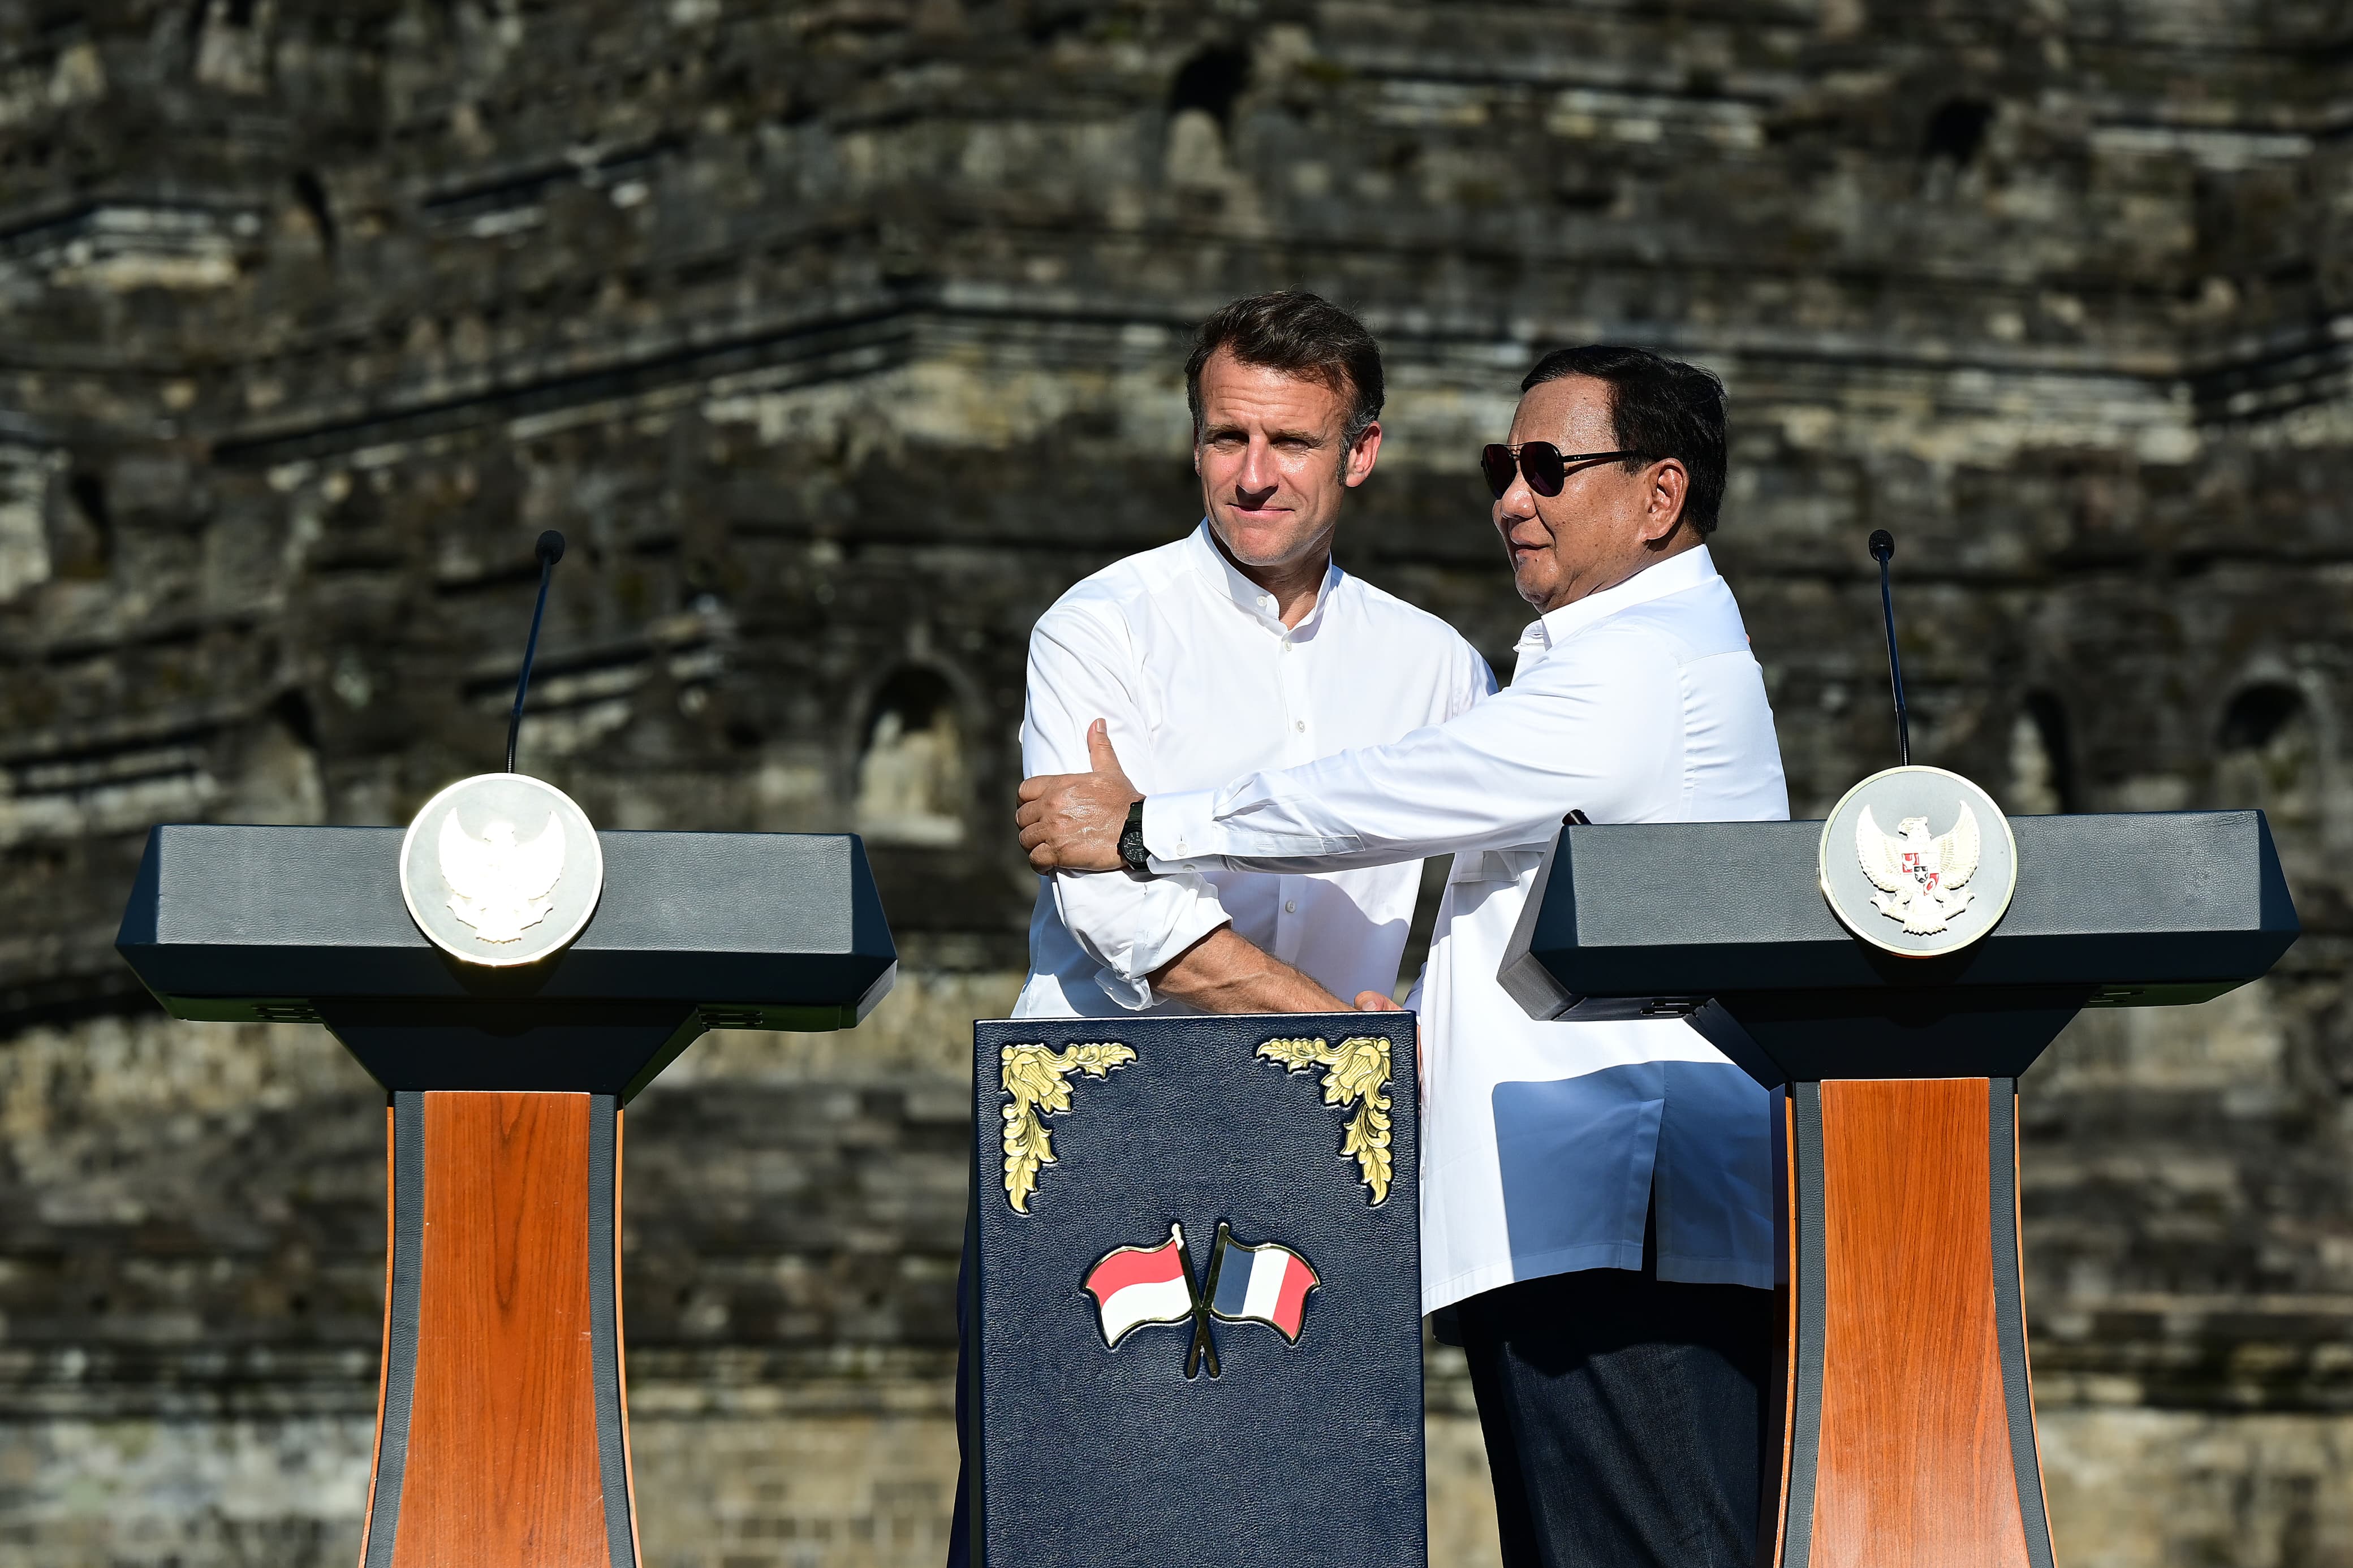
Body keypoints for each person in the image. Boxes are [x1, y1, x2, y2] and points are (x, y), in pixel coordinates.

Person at [1015, 345, 1790, 1567]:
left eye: (1546, 467)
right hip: (1554, 1210)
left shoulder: (1641, 668)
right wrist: (1413, 1019)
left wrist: (1144, 825)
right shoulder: (1603, 657)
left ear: (1657, 496)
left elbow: (1393, 796)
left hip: (1619, 1219)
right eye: (1501, 464)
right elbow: (1520, 926)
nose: (1510, 498)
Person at [945, 291, 1491, 1566]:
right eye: (1224, 438)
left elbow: (1485, 915)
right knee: (1053, 1514)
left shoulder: (1438, 669)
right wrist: (1331, 1028)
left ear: (1359, 452)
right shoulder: (1101, 628)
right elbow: (1117, 907)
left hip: (1333, 1150)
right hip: (1092, 1124)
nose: (1251, 476)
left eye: (1290, 444)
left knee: (1311, 1507)